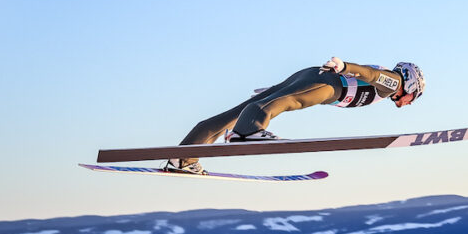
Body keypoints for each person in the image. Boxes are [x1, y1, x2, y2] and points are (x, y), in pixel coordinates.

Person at [167, 57, 426, 174]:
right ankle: (247, 132)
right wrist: (346, 66)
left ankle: (183, 157)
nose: (406, 103)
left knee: (236, 112)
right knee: (290, 102)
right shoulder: (393, 81)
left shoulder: (388, 82)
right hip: (331, 84)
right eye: (413, 98)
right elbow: (369, 76)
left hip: (315, 75)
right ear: (411, 85)